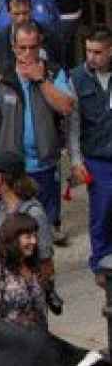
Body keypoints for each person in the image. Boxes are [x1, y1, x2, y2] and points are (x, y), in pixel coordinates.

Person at [0, 22, 77, 243]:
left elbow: (67, 106)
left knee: (44, 227)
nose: (27, 53)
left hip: (45, 164)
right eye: (22, 47)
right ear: (13, 47)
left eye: (32, 47)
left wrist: (40, 79)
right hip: (11, 168)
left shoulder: (53, 71)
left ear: (40, 45)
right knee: (12, 227)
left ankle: (43, 272)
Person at [70, 26, 112, 274]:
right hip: (97, 158)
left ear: (110, 51)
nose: (91, 57)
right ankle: (100, 262)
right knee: (102, 211)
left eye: (97, 52)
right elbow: (73, 126)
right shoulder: (77, 78)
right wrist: (76, 161)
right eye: (88, 51)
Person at [0, 212, 49, 331]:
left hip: (37, 339)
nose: (34, 241)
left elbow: (41, 310)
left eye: (34, 236)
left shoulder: (32, 264)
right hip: (10, 342)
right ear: (13, 239)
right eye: (28, 237)